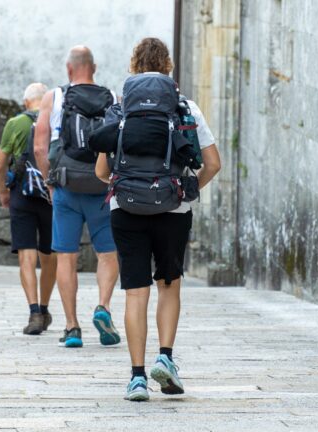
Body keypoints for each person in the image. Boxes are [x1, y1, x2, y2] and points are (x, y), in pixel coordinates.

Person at [94, 38, 221, 401]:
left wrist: (123, 183)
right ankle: (165, 358)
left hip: (126, 208)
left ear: (133, 66)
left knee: (136, 292)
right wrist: (187, 188)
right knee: (169, 284)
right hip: (173, 209)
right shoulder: (185, 108)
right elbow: (213, 163)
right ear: (169, 66)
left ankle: (136, 378)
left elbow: (102, 170)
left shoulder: (120, 108)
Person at [34, 46, 121, 348]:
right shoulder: (111, 97)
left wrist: (50, 182)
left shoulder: (54, 97)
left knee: (66, 257)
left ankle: (72, 328)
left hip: (67, 186)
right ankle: (104, 307)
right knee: (108, 254)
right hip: (101, 187)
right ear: (93, 68)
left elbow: (40, 147)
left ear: (69, 69)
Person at [0, 82, 57, 335]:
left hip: (22, 194)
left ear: (25, 102)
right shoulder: (54, 120)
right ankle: (44, 307)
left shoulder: (15, 123)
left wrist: (3, 191)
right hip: (51, 194)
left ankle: (34, 313)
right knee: (49, 254)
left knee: (26, 256)